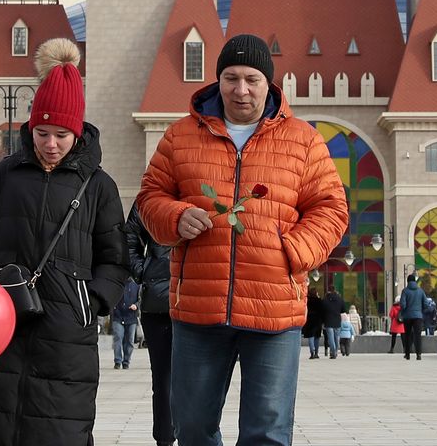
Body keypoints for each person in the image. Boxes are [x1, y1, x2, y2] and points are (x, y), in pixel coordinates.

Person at [133, 33, 350, 446]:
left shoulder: (303, 140)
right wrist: (176, 217)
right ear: (218, 81)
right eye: (231, 78)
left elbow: (331, 209)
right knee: (191, 428)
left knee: (266, 432)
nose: (241, 89)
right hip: (199, 308)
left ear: (269, 83)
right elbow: (149, 197)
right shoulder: (180, 135)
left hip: (274, 309)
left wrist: (291, 252)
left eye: (252, 79)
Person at [0, 39, 132, 446]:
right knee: (2, 425)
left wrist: (90, 302)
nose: (51, 144)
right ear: (30, 128)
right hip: (5, 318)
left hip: (68, 330)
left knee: (61, 429)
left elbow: (115, 259)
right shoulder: (5, 175)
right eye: (42, 133)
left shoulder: (99, 186)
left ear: (77, 131)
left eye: (61, 134)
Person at [125, 207, 174, 446]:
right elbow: (128, 238)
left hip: (204, 295)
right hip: (159, 300)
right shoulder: (152, 194)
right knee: (164, 381)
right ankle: (165, 439)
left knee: (204, 381)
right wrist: (145, 271)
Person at [112, 278, 141, 370]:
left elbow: (140, 299)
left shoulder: (137, 285)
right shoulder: (118, 283)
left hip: (131, 317)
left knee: (130, 341)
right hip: (118, 316)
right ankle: (117, 361)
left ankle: (126, 361)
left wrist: (136, 305)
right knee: (118, 338)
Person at [397, 275, 427, 360]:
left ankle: (407, 354)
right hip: (418, 316)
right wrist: (421, 311)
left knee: (407, 335)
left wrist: (403, 311)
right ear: (415, 281)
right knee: (418, 335)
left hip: (407, 316)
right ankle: (418, 354)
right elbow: (425, 303)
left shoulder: (405, 291)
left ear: (408, 281)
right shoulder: (421, 291)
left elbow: (403, 304)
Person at [321, 288, 345, 358]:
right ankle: (335, 351)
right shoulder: (340, 299)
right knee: (337, 337)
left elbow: (322, 311)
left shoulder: (325, 300)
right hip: (337, 320)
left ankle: (333, 351)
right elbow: (343, 310)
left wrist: (323, 321)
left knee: (330, 338)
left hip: (328, 321)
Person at [303, 288, 325, 359]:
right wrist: (323, 321)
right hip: (318, 321)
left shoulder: (307, 301)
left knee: (311, 336)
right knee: (317, 337)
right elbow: (322, 311)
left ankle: (312, 352)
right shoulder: (319, 301)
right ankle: (316, 353)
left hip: (309, 320)